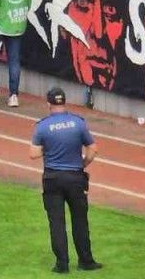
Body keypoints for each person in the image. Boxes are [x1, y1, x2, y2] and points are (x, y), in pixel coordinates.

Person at [31, 87, 101, 274]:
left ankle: (62, 264)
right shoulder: (78, 123)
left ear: (49, 104)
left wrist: (48, 148)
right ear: (64, 102)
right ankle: (86, 261)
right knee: (80, 220)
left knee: (57, 222)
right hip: (75, 177)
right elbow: (93, 148)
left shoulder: (43, 126)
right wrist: (83, 164)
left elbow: (33, 153)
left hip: (53, 178)